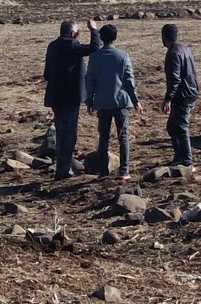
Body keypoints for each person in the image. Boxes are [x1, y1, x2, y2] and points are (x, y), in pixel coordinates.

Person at [43, 18, 100, 181]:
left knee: (61, 133)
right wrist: (94, 30)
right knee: (69, 134)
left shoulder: (52, 46)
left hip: (55, 96)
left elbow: (46, 74)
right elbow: (95, 48)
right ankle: (63, 169)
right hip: (70, 97)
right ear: (72, 33)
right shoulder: (72, 45)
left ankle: (61, 167)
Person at [85, 24, 143, 181]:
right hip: (121, 102)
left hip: (102, 102)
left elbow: (90, 80)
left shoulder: (95, 57)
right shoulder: (123, 56)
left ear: (102, 38)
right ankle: (124, 171)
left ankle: (103, 171)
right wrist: (135, 100)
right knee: (123, 136)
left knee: (103, 137)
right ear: (115, 37)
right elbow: (129, 81)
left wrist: (89, 99)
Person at [160, 24, 199, 169]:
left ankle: (187, 160)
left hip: (182, 94)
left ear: (164, 37)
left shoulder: (173, 53)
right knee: (172, 126)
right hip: (191, 91)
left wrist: (168, 98)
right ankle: (179, 157)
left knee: (180, 126)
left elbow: (174, 78)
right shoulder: (185, 49)